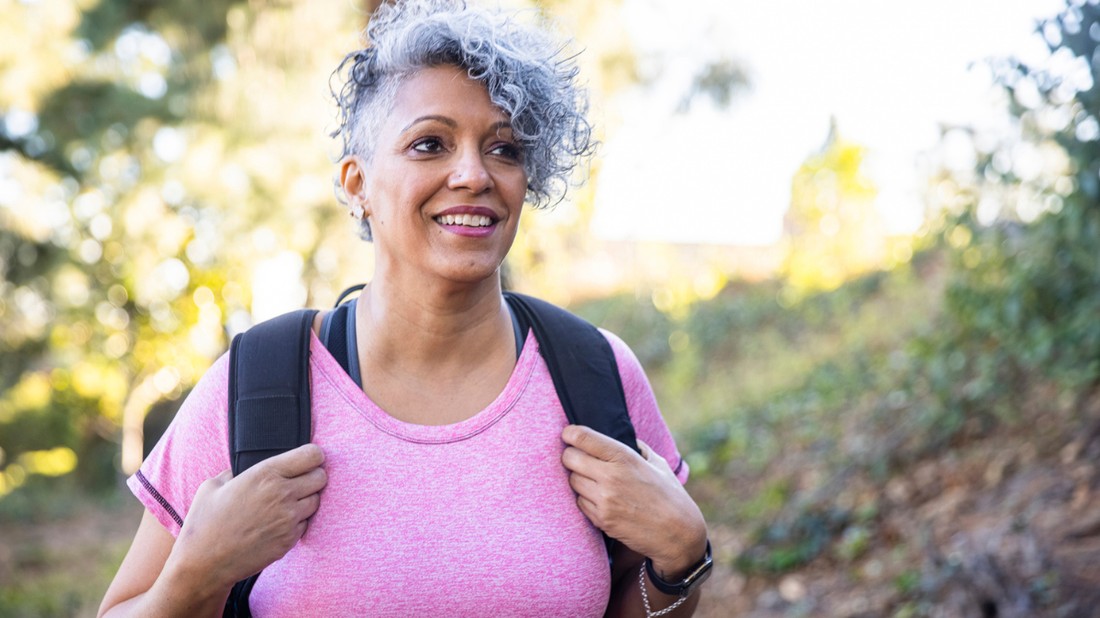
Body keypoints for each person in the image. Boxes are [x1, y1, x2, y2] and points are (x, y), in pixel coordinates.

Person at [99, 1, 710, 616]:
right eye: (429, 144)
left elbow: (642, 601)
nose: (473, 173)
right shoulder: (255, 382)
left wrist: (682, 558)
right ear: (358, 184)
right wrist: (195, 575)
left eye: (504, 149)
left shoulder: (596, 373)